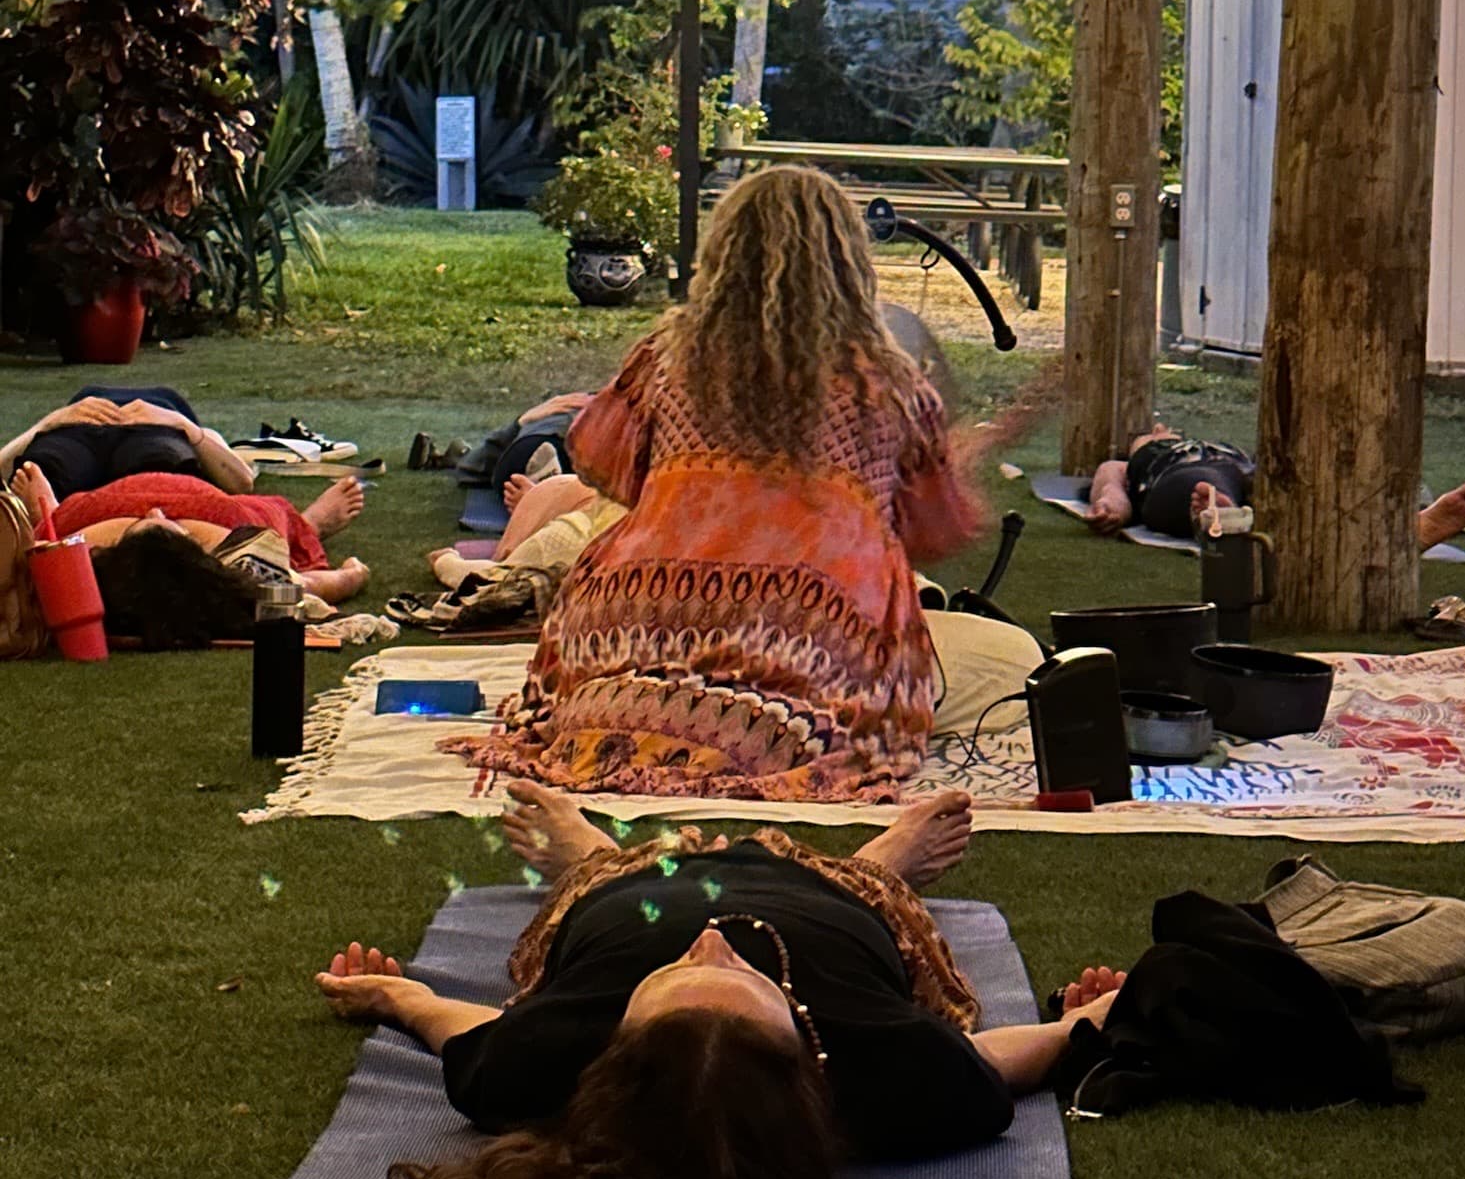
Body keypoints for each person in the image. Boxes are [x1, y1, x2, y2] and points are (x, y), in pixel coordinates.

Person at [315, 783, 1125, 1179]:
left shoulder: (540, 1056)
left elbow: (451, 1023)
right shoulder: (903, 1073)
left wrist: (395, 996)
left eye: (676, 977)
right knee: (866, 889)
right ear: (807, 1047)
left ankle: (588, 854)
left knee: (596, 881)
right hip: (840, 905)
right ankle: (884, 859)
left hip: (620, 897)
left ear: (614, 1041)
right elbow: (1006, 1058)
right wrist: (1084, 1021)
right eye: (736, 975)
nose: (713, 941)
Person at [438, 165, 985, 803]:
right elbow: (940, 531)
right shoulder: (888, 385)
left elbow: (593, 458)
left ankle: (630, 708)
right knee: (986, 656)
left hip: (628, 625)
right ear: (849, 262)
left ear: (724, 254)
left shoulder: (667, 359)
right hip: (811, 647)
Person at [12, 458, 369, 645]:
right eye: (160, 523)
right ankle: (311, 524)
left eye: (145, 524)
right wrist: (353, 575)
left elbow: (26, 563)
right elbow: (315, 584)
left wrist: (48, 517)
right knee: (275, 525)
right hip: (220, 513)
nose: (155, 511)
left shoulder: (78, 568)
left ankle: (48, 509)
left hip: (89, 511)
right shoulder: (240, 563)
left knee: (52, 535)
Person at [1085, 423, 1465, 549]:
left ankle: (1398, 529)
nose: (1159, 431)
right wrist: (1113, 507)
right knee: (1204, 486)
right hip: (1182, 480)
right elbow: (1110, 488)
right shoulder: (1135, 461)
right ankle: (1217, 514)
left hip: (1242, 473)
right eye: (1150, 434)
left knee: (1304, 492)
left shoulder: (1215, 445)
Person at [1, 386, 256, 499]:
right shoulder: (193, 432)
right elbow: (242, 481)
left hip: (154, 430)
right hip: (79, 428)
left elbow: (242, 481)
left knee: (158, 468)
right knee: (45, 469)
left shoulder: (187, 427)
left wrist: (179, 423)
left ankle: (51, 515)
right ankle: (48, 511)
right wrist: (49, 422)